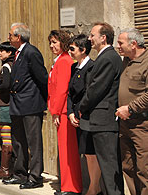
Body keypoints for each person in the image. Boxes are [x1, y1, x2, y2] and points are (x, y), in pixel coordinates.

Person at [115, 28, 148, 195]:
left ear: (133, 44)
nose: (118, 46)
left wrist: (130, 108)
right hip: (126, 125)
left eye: (121, 43)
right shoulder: (126, 61)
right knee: (128, 168)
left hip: (144, 126)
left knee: (146, 173)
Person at [77, 22, 124, 195]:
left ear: (103, 38)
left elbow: (96, 89)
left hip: (104, 120)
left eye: (92, 35)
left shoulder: (108, 58)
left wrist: (81, 107)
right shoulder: (105, 57)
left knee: (109, 167)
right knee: (105, 166)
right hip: (98, 120)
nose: (89, 39)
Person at [3, 23, 48, 189]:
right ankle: (20, 173)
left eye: (10, 35)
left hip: (30, 103)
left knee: (33, 142)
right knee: (18, 141)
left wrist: (41, 100)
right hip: (17, 104)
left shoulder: (31, 52)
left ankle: (35, 176)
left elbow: (42, 78)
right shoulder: (18, 53)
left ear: (18, 37)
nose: (8, 38)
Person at [47, 30, 82, 195]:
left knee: (68, 149)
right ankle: (67, 185)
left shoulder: (64, 61)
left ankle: (71, 187)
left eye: (55, 42)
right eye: (51, 42)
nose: (52, 45)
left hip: (63, 111)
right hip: (59, 110)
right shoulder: (60, 60)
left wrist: (55, 111)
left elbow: (62, 90)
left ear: (63, 42)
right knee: (65, 149)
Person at [67, 34, 101, 195]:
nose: (70, 51)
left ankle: (95, 187)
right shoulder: (74, 67)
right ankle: (93, 187)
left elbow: (89, 93)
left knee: (91, 152)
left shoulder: (92, 67)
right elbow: (70, 93)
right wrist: (70, 113)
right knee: (86, 153)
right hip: (76, 115)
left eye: (72, 49)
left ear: (83, 50)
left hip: (87, 115)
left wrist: (80, 112)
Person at [0, 42, 15, 180]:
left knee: (6, 139)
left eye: (3, 51)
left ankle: (4, 169)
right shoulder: (14, 65)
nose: (0, 53)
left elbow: (5, 84)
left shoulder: (6, 67)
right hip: (12, 106)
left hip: (5, 106)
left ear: (9, 53)